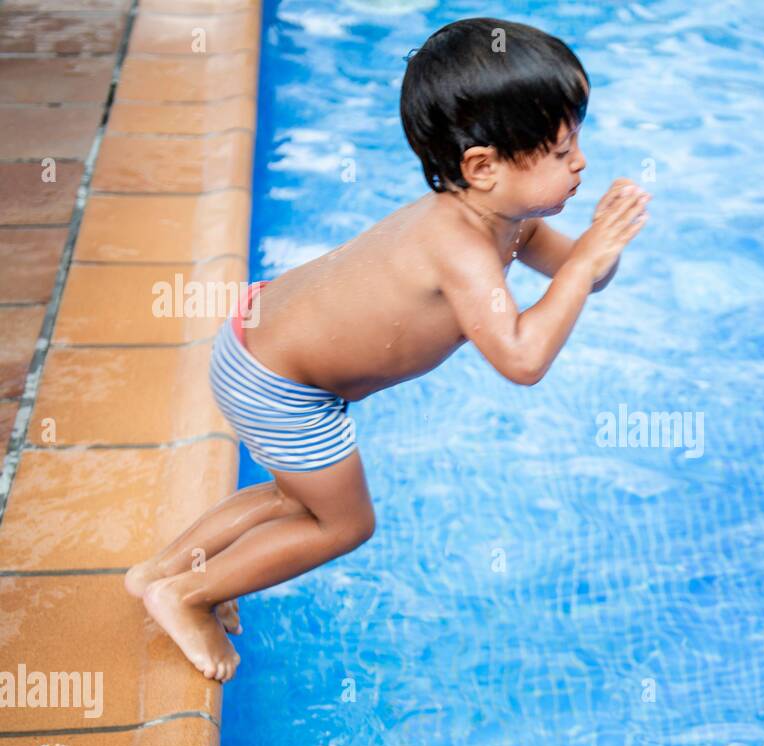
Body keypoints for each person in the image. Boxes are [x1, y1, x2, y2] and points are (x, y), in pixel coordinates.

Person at [124, 17, 651, 682]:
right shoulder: (458, 247)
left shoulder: (508, 221)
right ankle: (185, 596)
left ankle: (160, 571)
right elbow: (522, 358)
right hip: (280, 385)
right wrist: (587, 263)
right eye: (559, 149)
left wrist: (605, 245)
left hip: (261, 347)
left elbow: (585, 277)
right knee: (342, 524)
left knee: (296, 500)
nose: (579, 162)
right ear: (482, 167)